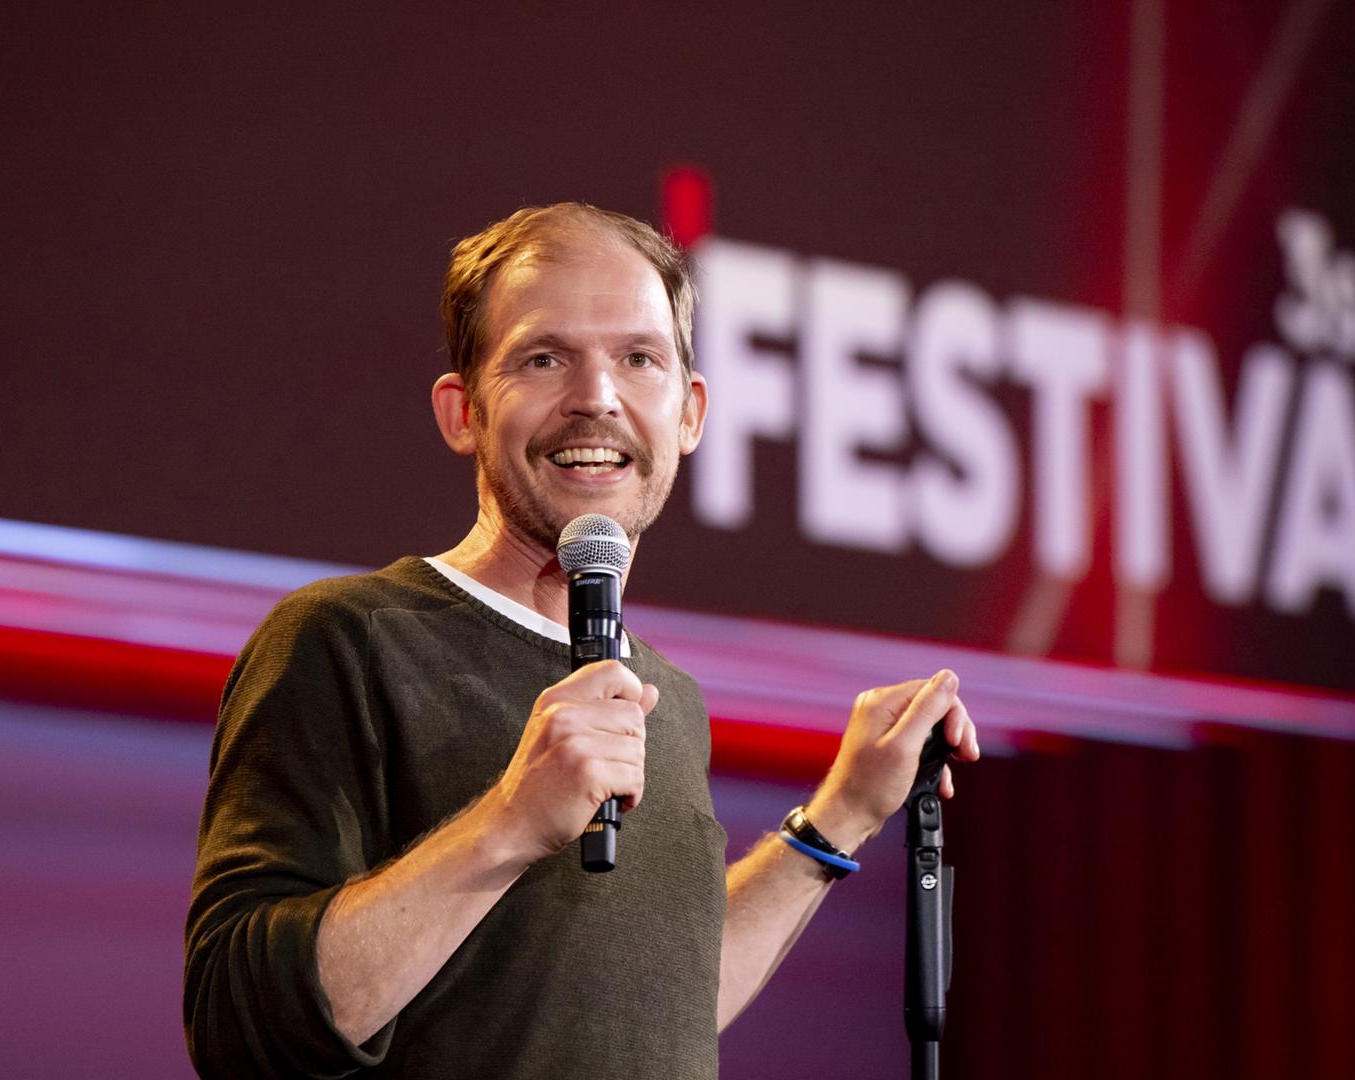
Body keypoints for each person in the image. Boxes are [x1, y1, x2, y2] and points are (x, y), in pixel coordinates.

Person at [184, 203, 981, 1079]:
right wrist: (510, 822)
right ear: (463, 412)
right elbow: (238, 1024)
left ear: (691, 412)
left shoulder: (667, 700)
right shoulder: (347, 640)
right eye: (543, 358)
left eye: (638, 359)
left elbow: (666, 1006)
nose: (596, 397)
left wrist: (844, 814)